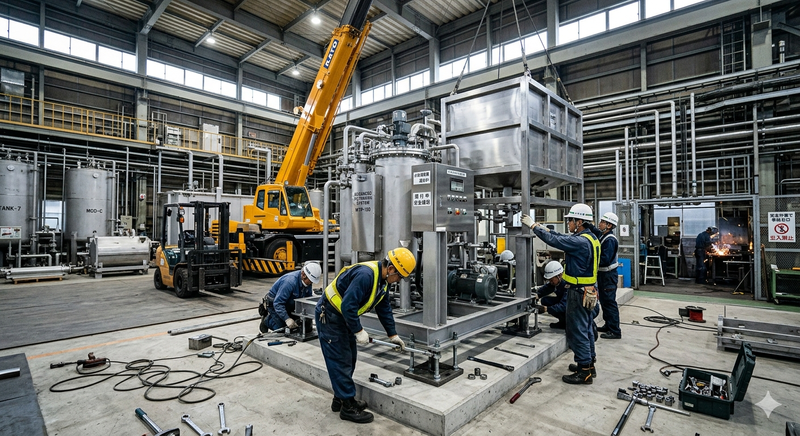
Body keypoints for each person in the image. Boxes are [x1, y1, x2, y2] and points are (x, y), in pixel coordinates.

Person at [315, 247, 415, 424]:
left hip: (342, 317)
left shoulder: (382, 282)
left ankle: (341, 399)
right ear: (391, 268)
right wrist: (359, 331)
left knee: (350, 358)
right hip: (330, 316)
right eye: (400, 276)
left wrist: (392, 335)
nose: (399, 280)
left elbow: (384, 308)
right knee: (340, 361)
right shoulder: (366, 276)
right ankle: (348, 408)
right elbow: (348, 306)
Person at [522, 203, 600, 384]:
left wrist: (533, 227)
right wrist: (544, 229)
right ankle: (589, 365)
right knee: (587, 327)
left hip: (578, 292)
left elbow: (557, 241)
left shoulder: (580, 242)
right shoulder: (590, 238)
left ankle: (584, 373)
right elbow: (563, 237)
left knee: (578, 330)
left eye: (570, 220)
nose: (568, 223)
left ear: (579, 222)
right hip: (588, 290)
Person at [259, 262, 322, 333]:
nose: (311, 283)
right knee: (284, 329)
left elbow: (307, 298)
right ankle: (267, 321)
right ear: (304, 275)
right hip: (274, 303)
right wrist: (287, 319)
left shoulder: (307, 282)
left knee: (303, 327)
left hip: (290, 302)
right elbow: (278, 303)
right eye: (310, 281)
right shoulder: (289, 282)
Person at [588, 212, 621, 340]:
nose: (599, 223)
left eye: (602, 222)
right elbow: (596, 231)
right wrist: (587, 223)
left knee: (609, 302)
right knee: (604, 301)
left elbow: (604, 260)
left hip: (608, 275)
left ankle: (615, 331)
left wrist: (589, 259)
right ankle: (608, 325)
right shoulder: (604, 236)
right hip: (604, 275)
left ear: (609, 225)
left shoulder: (610, 240)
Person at [535, 261, 568, 329]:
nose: (550, 282)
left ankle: (567, 323)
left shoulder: (567, 285)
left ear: (559, 275)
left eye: (551, 280)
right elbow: (547, 287)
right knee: (545, 300)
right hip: (565, 304)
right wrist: (537, 295)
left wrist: (547, 309)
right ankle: (563, 322)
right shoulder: (558, 281)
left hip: (573, 308)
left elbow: (564, 306)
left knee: (560, 307)